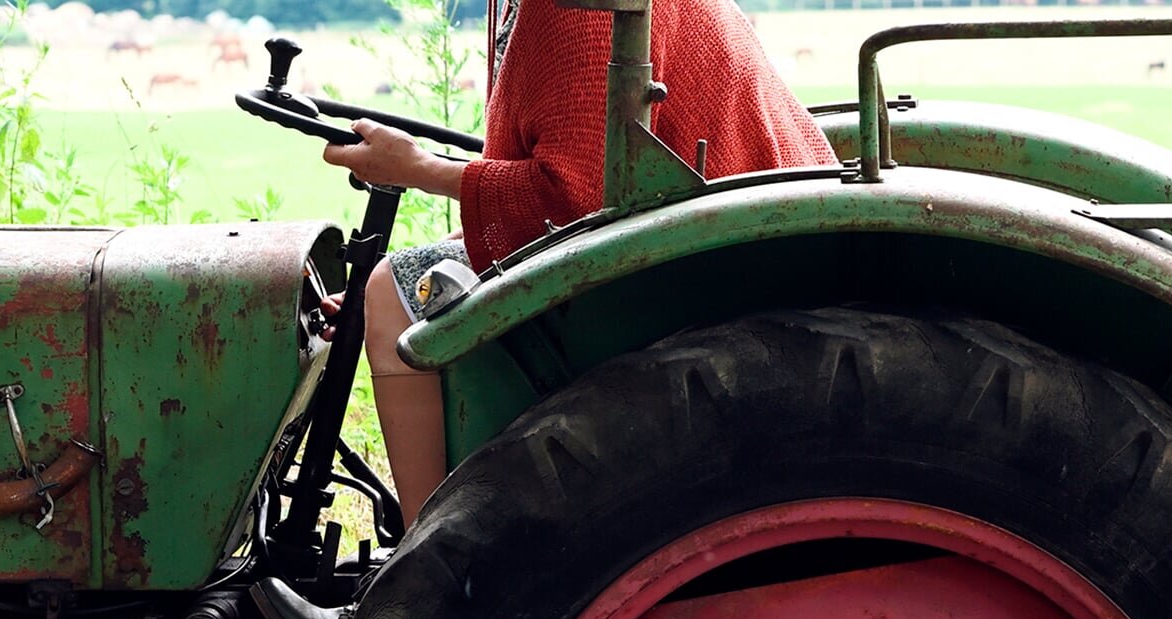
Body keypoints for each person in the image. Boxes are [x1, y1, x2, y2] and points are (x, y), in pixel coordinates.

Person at [320, 0, 835, 515]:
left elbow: (573, 200)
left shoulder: (569, 9)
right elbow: (573, 185)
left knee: (393, 295)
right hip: (703, 229)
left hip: (715, 261)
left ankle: (427, 576)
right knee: (404, 285)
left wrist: (419, 169)